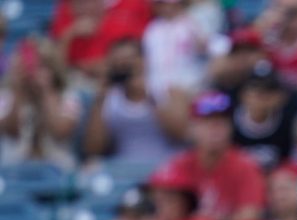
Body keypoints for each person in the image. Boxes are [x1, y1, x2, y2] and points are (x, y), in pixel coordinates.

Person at [164, 91, 267, 220]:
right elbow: (163, 213)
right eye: (207, 122)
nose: (215, 128)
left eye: (222, 121)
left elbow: (250, 217)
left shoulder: (245, 165)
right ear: (193, 128)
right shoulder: (180, 164)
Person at [83, 38, 188, 164]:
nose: (125, 65)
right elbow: (93, 150)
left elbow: (180, 133)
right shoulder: (109, 98)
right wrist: (101, 98)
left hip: (165, 169)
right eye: (118, 61)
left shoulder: (168, 90)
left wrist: (147, 93)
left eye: (130, 59)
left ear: (144, 60)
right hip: (123, 171)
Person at [0, 37, 82, 169]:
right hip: (15, 170)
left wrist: (46, 92)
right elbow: (11, 131)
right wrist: (20, 93)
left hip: (57, 169)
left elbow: (61, 131)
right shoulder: (5, 96)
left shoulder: (69, 97)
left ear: (53, 70)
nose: (33, 72)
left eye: (42, 66)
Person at [232, 63, 297, 168]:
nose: (261, 95)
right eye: (254, 88)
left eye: (269, 89)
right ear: (242, 94)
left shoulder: (289, 122)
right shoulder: (228, 121)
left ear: (281, 97)